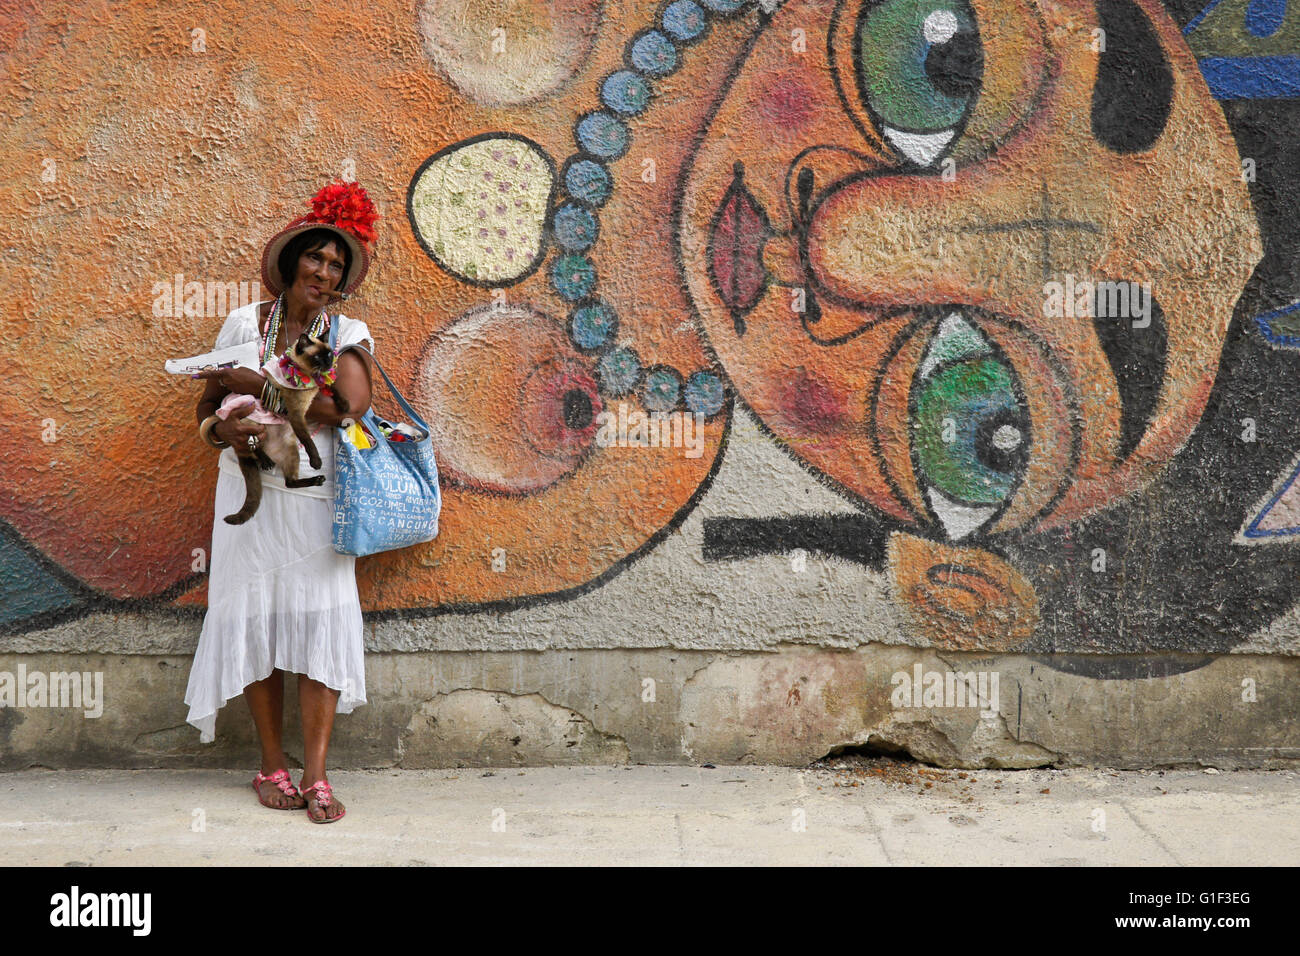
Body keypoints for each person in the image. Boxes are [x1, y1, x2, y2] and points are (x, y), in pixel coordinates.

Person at [185, 182, 380, 823]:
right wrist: (227, 426)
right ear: (293, 259)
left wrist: (260, 389)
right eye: (316, 258)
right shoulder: (245, 324)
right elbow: (205, 410)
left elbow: (348, 407)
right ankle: (272, 763)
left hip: (313, 501)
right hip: (246, 495)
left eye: (337, 265)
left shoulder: (347, 332)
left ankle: (318, 774)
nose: (324, 272)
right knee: (252, 621)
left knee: (319, 618)